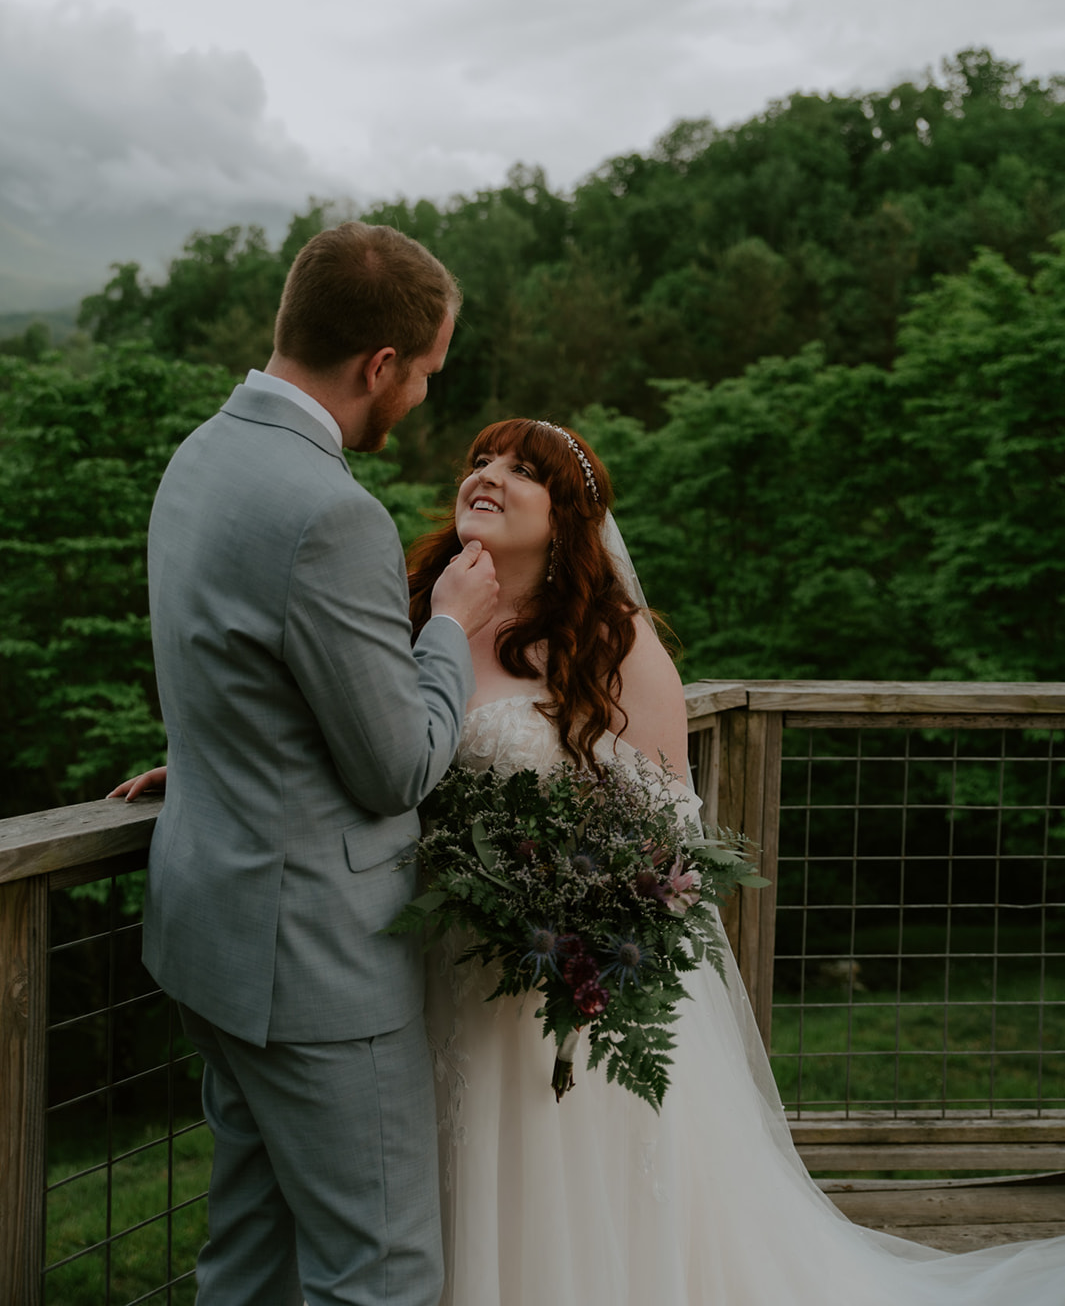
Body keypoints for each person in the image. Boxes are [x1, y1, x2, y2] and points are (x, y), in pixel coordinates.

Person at [121, 416, 1065, 1304]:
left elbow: (666, 831)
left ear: (568, 520)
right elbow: (361, 737)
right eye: (480, 461)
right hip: (430, 964)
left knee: (556, 1191)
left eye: (521, 471)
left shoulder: (616, 645)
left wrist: (580, 919)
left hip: (560, 984)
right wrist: (224, 767)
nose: (487, 476)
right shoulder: (416, 609)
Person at [125, 221, 499, 1306]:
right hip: (315, 966)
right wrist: (451, 627)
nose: (424, 396)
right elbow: (399, 766)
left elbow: (234, 677)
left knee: (248, 1258)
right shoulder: (334, 513)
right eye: (426, 373)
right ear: (379, 365)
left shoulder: (202, 455)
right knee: (376, 1272)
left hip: (211, 938)